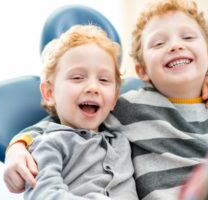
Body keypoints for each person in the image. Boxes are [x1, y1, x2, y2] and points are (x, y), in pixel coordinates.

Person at [3, 0, 208, 199]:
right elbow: (61, 123)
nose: (176, 45)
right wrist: (19, 146)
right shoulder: (129, 107)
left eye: (187, 37)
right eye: (159, 43)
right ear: (142, 70)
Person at [20, 24, 138, 199]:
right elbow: (42, 194)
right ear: (49, 93)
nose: (92, 87)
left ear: (114, 98)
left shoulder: (122, 140)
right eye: (77, 78)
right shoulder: (49, 144)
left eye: (104, 79)